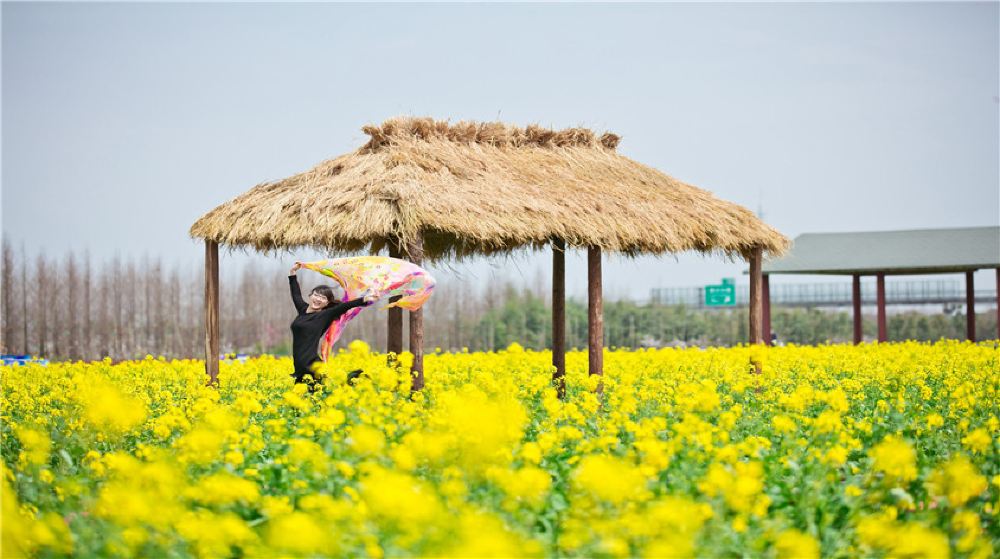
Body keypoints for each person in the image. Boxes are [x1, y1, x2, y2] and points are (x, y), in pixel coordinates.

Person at [289, 262, 376, 390]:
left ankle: (357, 379)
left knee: (316, 402)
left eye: (323, 298)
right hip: (301, 370)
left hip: (312, 368)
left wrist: (364, 299)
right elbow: (296, 294)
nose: (318, 299)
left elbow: (344, 306)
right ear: (310, 296)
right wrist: (292, 273)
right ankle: (354, 381)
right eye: (316, 295)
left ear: (327, 303)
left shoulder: (324, 316)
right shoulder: (303, 310)